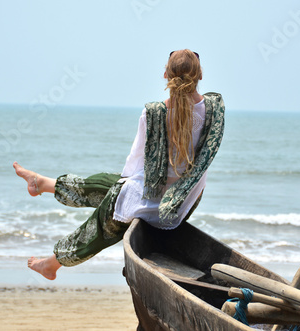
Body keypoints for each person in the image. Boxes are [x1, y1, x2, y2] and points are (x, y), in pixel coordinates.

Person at [13, 49, 225, 280]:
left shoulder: (153, 114)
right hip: (184, 201)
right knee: (109, 183)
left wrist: (118, 193)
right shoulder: (215, 110)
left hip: (157, 203)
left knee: (104, 217)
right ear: (200, 75)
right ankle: (43, 184)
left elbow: (134, 164)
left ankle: (52, 263)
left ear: (166, 74)